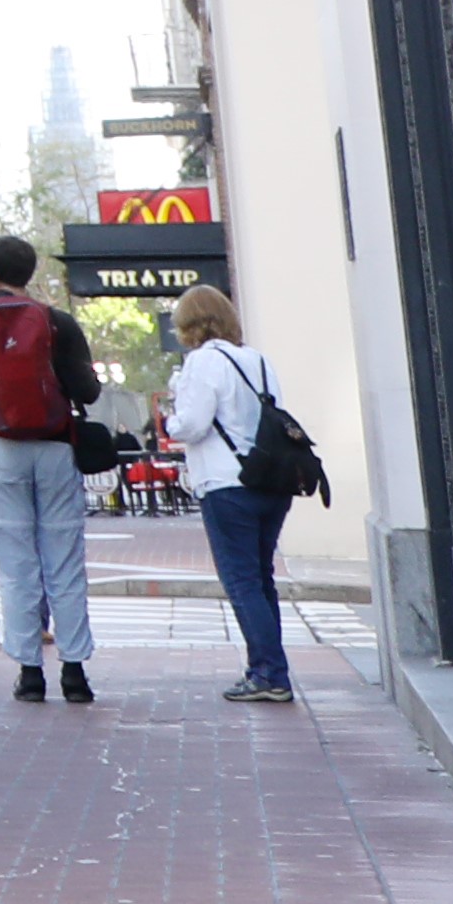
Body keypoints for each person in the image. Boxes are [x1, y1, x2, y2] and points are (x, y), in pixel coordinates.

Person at [0, 230, 107, 704]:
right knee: (64, 557)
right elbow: (87, 390)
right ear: (32, 272)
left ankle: (28, 670)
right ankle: (75, 670)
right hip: (54, 445)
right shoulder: (57, 322)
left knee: (16, 560)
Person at [160, 284, 303, 705]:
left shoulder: (203, 362)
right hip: (272, 479)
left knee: (240, 580)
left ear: (189, 325)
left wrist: (170, 422)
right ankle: (271, 667)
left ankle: (268, 673)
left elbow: (193, 423)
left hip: (225, 482)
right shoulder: (258, 359)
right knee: (261, 578)